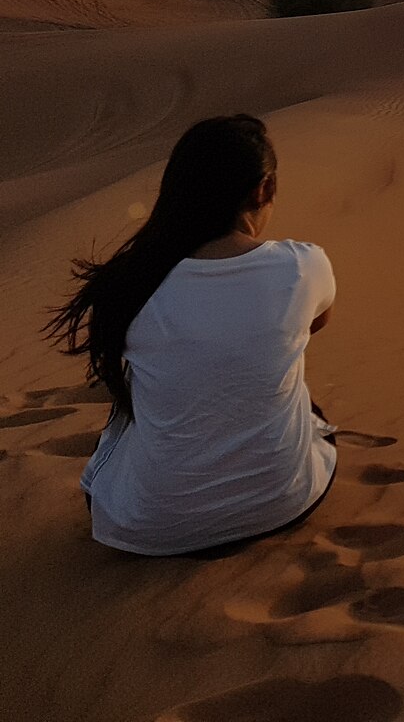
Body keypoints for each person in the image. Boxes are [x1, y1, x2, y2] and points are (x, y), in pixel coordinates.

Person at [44, 114, 338, 556]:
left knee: (128, 411)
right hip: (284, 504)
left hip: (152, 528)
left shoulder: (132, 282)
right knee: (305, 403)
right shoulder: (304, 266)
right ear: (266, 189)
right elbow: (318, 322)